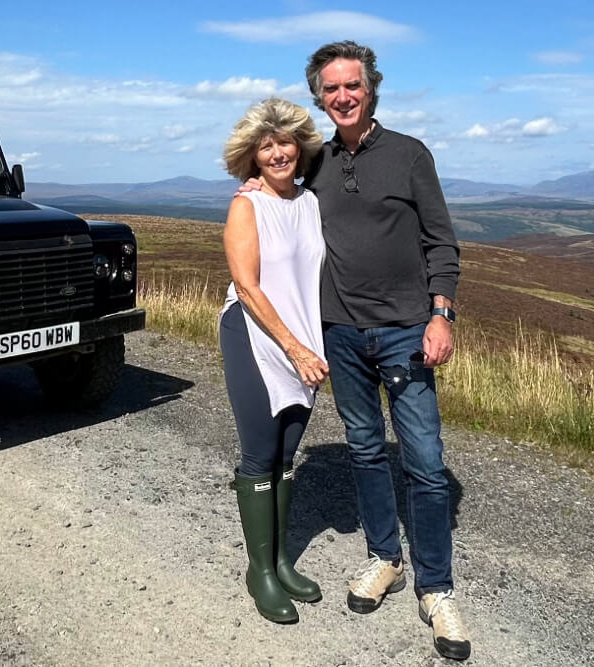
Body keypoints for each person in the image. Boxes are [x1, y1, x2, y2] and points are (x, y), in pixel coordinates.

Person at [242, 41, 469, 659]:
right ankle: (384, 558)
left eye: (353, 85)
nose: (343, 96)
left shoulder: (409, 154)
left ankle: (436, 589)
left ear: (371, 88)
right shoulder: (313, 159)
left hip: (406, 330)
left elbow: (441, 242)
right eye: (331, 88)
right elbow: (277, 188)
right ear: (319, 97)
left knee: (425, 461)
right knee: (366, 450)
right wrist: (253, 186)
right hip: (339, 332)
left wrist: (441, 315)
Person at [219, 97, 328, 624]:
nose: (278, 153)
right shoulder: (247, 206)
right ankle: (259, 571)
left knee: (287, 455)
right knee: (260, 455)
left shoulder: (311, 202)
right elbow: (247, 286)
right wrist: (294, 347)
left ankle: (282, 561)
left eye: (285, 142)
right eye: (266, 146)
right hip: (257, 337)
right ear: (253, 156)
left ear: (300, 148)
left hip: (303, 342)